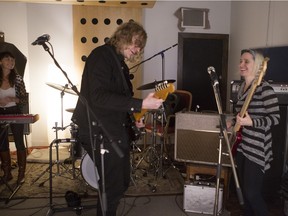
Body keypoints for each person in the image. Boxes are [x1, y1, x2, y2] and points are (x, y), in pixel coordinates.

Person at [72, 21, 163, 216]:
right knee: (112, 185)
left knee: (121, 181)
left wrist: (134, 118)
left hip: (113, 129)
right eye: (136, 43)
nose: (137, 50)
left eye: (141, 46)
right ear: (123, 36)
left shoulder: (118, 62)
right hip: (98, 130)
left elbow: (120, 99)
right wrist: (140, 104)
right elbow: (98, 97)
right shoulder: (101, 56)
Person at [230, 49, 280, 216]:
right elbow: (239, 115)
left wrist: (253, 122)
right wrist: (232, 122)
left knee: (252, 193)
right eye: (241, 61)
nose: (241, 65)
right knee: (245, 192)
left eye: (246, 61)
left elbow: (275, 118)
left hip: (257, 148)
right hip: (243, 145)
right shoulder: (242, 87)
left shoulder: (264, 88)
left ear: (257, 65)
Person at [0, 51, 28, 185]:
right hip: (0, 112)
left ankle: (21, 173)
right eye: (7, 59)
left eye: (13, 60)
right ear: (1, 62)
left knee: (19, 142)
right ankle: (7, 173)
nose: (11, 62)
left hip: (15, 111)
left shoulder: (17, 78)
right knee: (2, 143)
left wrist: (13, 99)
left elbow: (24, 99)